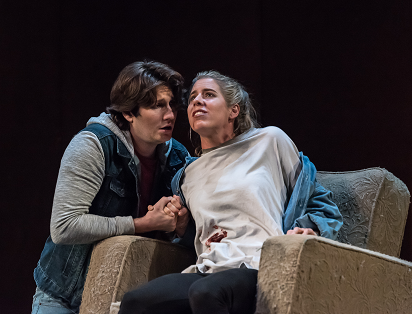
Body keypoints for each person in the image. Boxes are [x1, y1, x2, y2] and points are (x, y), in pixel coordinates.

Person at [118, 70, 343, 314]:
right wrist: (180, 224)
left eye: (209, 94)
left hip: (258, 264)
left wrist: (310, 227)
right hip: (209, 268)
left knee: (206, 294)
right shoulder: (186, 174)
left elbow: (317, 199)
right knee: (135, 302)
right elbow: (201, 233)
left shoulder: (270, 141)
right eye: (193, 97)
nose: (197, 101)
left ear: (233, 110)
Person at [32, 61, 191, 314]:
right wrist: (145, 223)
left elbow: (188, 237)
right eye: (157, 105)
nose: (170, 114)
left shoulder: (178, 157)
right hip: (65, 294)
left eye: (172, 104)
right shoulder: (94, 145)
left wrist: (177, 222)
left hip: (126, 294)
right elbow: (64, 226)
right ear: (128, 113)